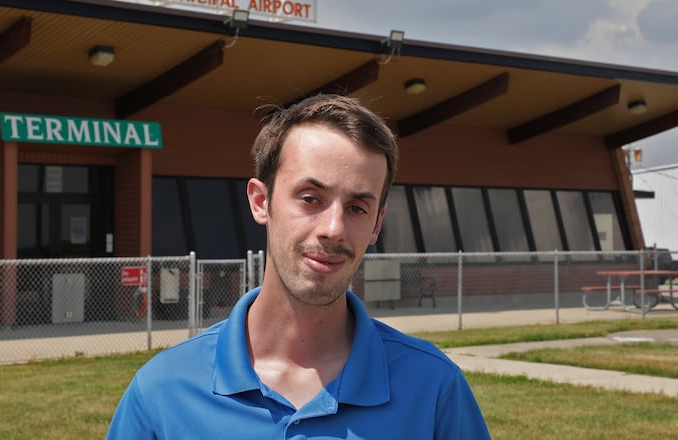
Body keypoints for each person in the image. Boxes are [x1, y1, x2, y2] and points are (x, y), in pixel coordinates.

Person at [106, 94, 491, 439]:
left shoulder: (433, 389)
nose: (333, 228)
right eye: (310, 198)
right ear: (261, 202)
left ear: (377, 224)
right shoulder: (163, 391)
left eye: (357, 208)